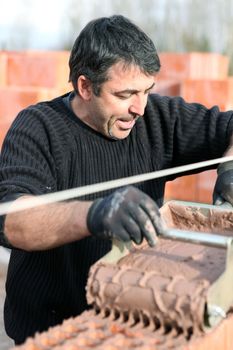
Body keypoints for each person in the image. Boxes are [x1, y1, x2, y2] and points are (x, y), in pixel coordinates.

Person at [0, 15, 233, 345]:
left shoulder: (156, 118)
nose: (139, 107)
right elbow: (12, 221)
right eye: (124, 94)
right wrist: (96, 214)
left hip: (133, 322)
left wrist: (229, 170)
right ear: (85, 86)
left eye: (146, 91)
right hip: (50, 331)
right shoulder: (37, 128)